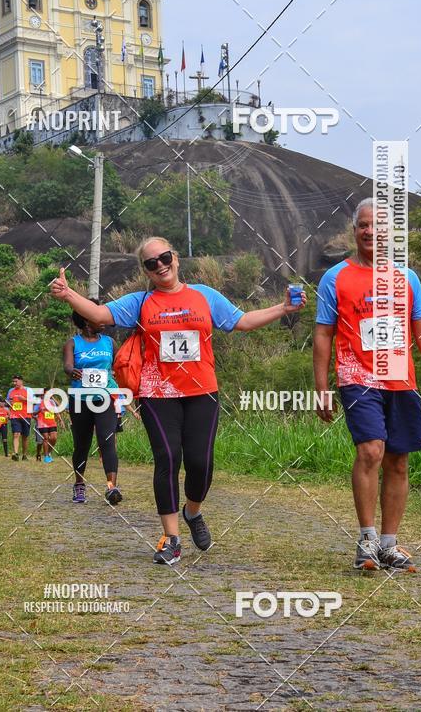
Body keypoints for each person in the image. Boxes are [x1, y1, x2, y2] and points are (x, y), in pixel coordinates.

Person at [51, 237, 306, 565]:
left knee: (201, 463)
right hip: (158, 395)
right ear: (145, 270)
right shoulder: (140, 302)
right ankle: (171, 539)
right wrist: (69, 294)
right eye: (151, 263)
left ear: (176, 258)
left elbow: (241, 321)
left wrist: (283, 308)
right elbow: (99, 314)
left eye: (164, 257)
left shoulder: (204, 296)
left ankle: (193, 512)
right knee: (168, 459)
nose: (160, 265)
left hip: (202, 392)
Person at [313, 198, 421, 572]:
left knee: (398, 460)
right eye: (363, 225)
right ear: (355, 229)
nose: (369, 232)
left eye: (377, 227)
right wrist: (321, 387)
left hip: (401, 380)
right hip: (357, 378)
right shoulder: (336, 278)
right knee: (371, 451)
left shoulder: (407, 278)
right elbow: (323, 335)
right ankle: (368, 541)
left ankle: (390, 546)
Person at [61, 308, 124, 505]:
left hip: (106, 397)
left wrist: (117, 373)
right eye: (98, 318)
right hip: (80, 399)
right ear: (87, 322)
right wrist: (73, 372)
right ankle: (79, 484)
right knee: (82, 444)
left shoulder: (109, 342)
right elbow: (67, 366)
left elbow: (121, 364)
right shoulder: (72, 343)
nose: (103, 321)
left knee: (107, 441)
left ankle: (111, 488)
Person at [6, 375, 32, 461]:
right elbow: (8, 402)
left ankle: (24, 455)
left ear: (21, 381)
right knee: (16, 434)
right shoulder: (11, 391)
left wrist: (24, 399)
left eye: (16, 381)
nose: (14, 383)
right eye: (13, 381)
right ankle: (16, 454)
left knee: (25, 436)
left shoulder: (28, 390)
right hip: (15, 416)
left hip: (26, 416)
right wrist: (9, 405)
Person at [34, 393, 61, 463]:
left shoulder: (52, 402)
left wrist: (61, 420)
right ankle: (46, 457)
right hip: (42, 424)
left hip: (52, 423)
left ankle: (49, 453)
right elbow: (33, 413)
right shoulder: (39, 403)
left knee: (54, 438)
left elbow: (56, 411)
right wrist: (40, 410)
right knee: (45, 438)